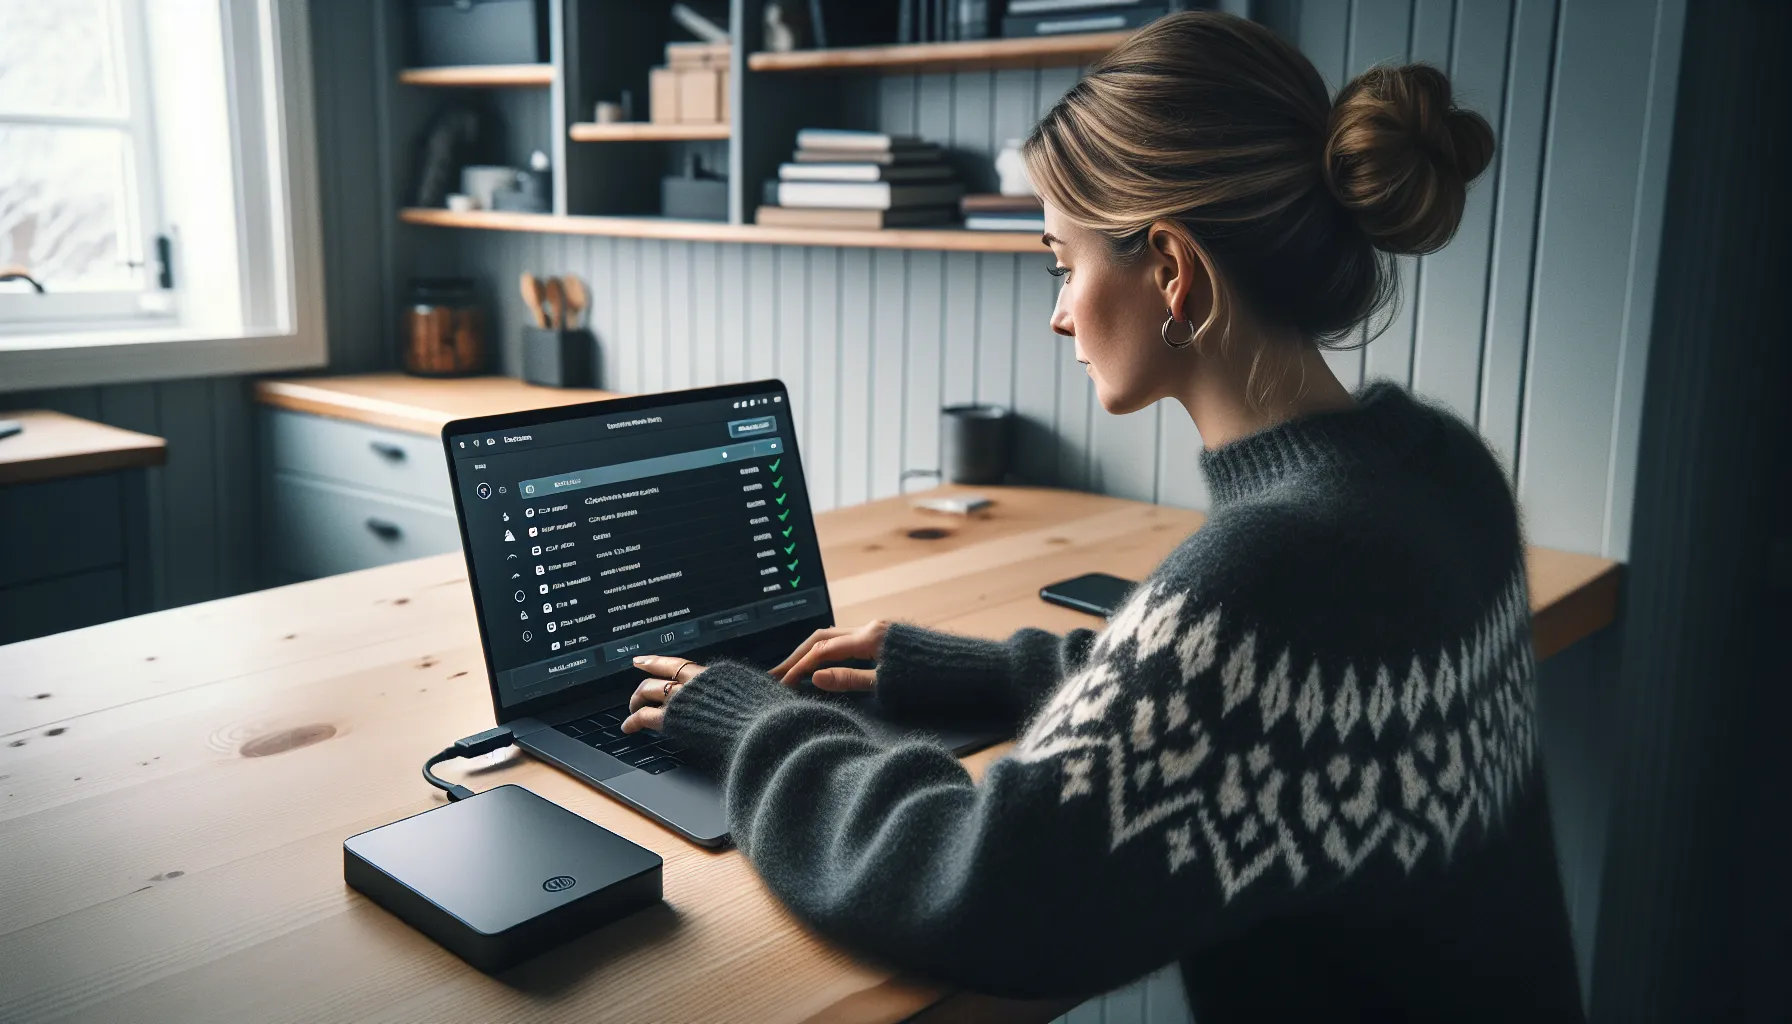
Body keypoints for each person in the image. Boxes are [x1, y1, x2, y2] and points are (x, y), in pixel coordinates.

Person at [621, 10, 1583, 1021]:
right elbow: (1276, 709)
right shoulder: (1443, 472)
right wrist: (984, 670)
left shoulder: (1271, 565)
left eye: (1061, 261)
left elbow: (980, 887)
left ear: (1171, 269)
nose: (1060, 311)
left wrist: (758, 725)